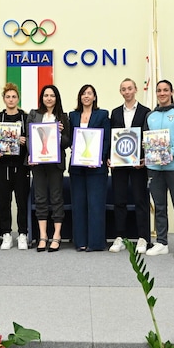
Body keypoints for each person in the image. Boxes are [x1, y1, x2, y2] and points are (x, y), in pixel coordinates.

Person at [144, 80, 174, 259]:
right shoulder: (150, 115)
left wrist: (169, 153)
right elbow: (147, 139)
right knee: (159, 206)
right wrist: (146, 147)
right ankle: (162, 242)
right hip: (154, 168)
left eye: (165, 90)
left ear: (171, 92)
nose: (162, 93)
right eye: (159, 91)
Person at [108, 78, 151, 255]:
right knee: (119, 201)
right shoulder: (115, 112)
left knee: (141, 200)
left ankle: (142, 237)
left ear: (136, 90)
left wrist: (146, 159)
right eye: (123, 89)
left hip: (138, 164)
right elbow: (111, 139)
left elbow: (149, 137)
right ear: (121, 92)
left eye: (129, 88)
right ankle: (120, 237)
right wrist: (108, 158)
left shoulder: (146, 112)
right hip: (118, 165)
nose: (127, 92)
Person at [26, 85, 71, 252]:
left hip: (55, 164)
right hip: (38, 164)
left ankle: (57, 235)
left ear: (56, 98)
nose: (49, 98)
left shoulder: (63, 117)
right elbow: (29, 137)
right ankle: (43, 236)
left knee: (56, 197)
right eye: (46, 95)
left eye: (52, 95)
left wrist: (60, 134)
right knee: (40, 198)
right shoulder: (34, 114)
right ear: (42, 98)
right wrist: (32, 154)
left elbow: (67, 142)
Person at [68, 84, 111, 252]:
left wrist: (100, 158)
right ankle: (80, 242)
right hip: (77, 168)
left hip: (96, 168)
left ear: (94, 97)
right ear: (80, 97)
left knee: (96, 205)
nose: (86, 96)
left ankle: (96, 242)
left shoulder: (102, 114)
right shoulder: (72, 116)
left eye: (89, 93)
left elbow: (106, 139)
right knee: (78, 205)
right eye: (83, 93)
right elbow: (68, 139)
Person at [0, 83, 30, 250]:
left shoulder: (25, 118)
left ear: (18, 99)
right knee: (4, 202)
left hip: (21, 166)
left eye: (14, 96)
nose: (11, 99)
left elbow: (33, 140)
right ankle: (6, 233)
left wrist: (25, 140)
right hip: (2, 166)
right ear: (4, 99)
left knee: (22, 201)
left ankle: (23, 233)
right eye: (8, 97)